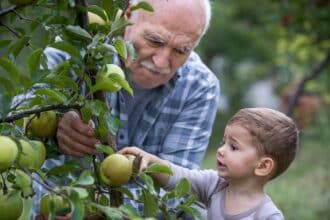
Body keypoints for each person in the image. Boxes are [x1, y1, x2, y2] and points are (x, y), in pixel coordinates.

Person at [34, 0, 220, 217]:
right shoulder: (79, 48)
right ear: (129, 15)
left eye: (181, 50)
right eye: (155, 40)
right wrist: (55, 117)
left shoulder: (199, 86)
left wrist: (99, 211)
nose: (161, 62)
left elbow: (175, 191)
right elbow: (23, 109)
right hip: (53, 207)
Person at [120, 108, 299, 220]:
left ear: (262, 166)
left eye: (233, 147)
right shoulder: (215, 185)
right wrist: (149, 160)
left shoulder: (267, 215)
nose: (221, 150)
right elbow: (177, 176)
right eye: (223, 142)